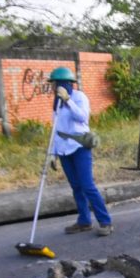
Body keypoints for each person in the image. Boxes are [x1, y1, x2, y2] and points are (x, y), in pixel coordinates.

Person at [49, 67, 113, 236]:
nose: (54, 88)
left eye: (56, 84)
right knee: (76, 187)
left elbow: (82, 117)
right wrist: (52, 153)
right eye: (54, 85)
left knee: (87, 186)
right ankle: (84, 221)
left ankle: (105, 222)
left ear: (66, 84)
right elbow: (56, 129)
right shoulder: (56, 103)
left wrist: (68, 100)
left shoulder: (79, 97)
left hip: (79, 147)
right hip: (63, 150)